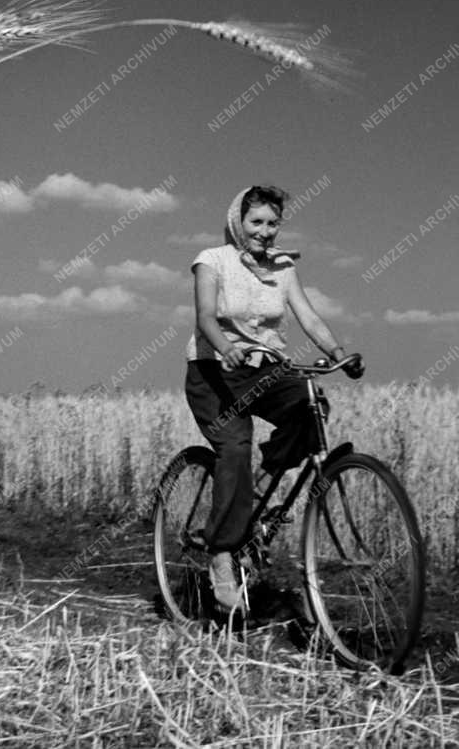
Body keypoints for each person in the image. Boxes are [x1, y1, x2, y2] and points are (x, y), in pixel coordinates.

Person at [184, 185, 364, 612]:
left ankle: (263, 487)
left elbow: (306, 313)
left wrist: (339, 354)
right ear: (237, 222)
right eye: (256, 222)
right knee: (235, 445)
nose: (265, 231)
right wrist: (225, 347)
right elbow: (205, 316)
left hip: (264, 368)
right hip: (214, 372)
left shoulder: (283, 267)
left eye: (272, 223)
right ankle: (221, 556)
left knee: (311, 404)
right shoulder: (212, 261)